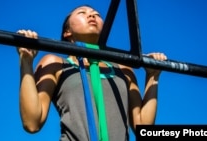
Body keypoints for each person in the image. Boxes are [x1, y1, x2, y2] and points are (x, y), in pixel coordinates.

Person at [17, 5, 167, 141]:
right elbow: (32, 123)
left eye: (97, 14)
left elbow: (143, 127)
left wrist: (152, 76)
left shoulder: (123, 69)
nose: (91, 16)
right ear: (67, 32)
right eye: (82, 13)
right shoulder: (55, 63)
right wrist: (26, 62)